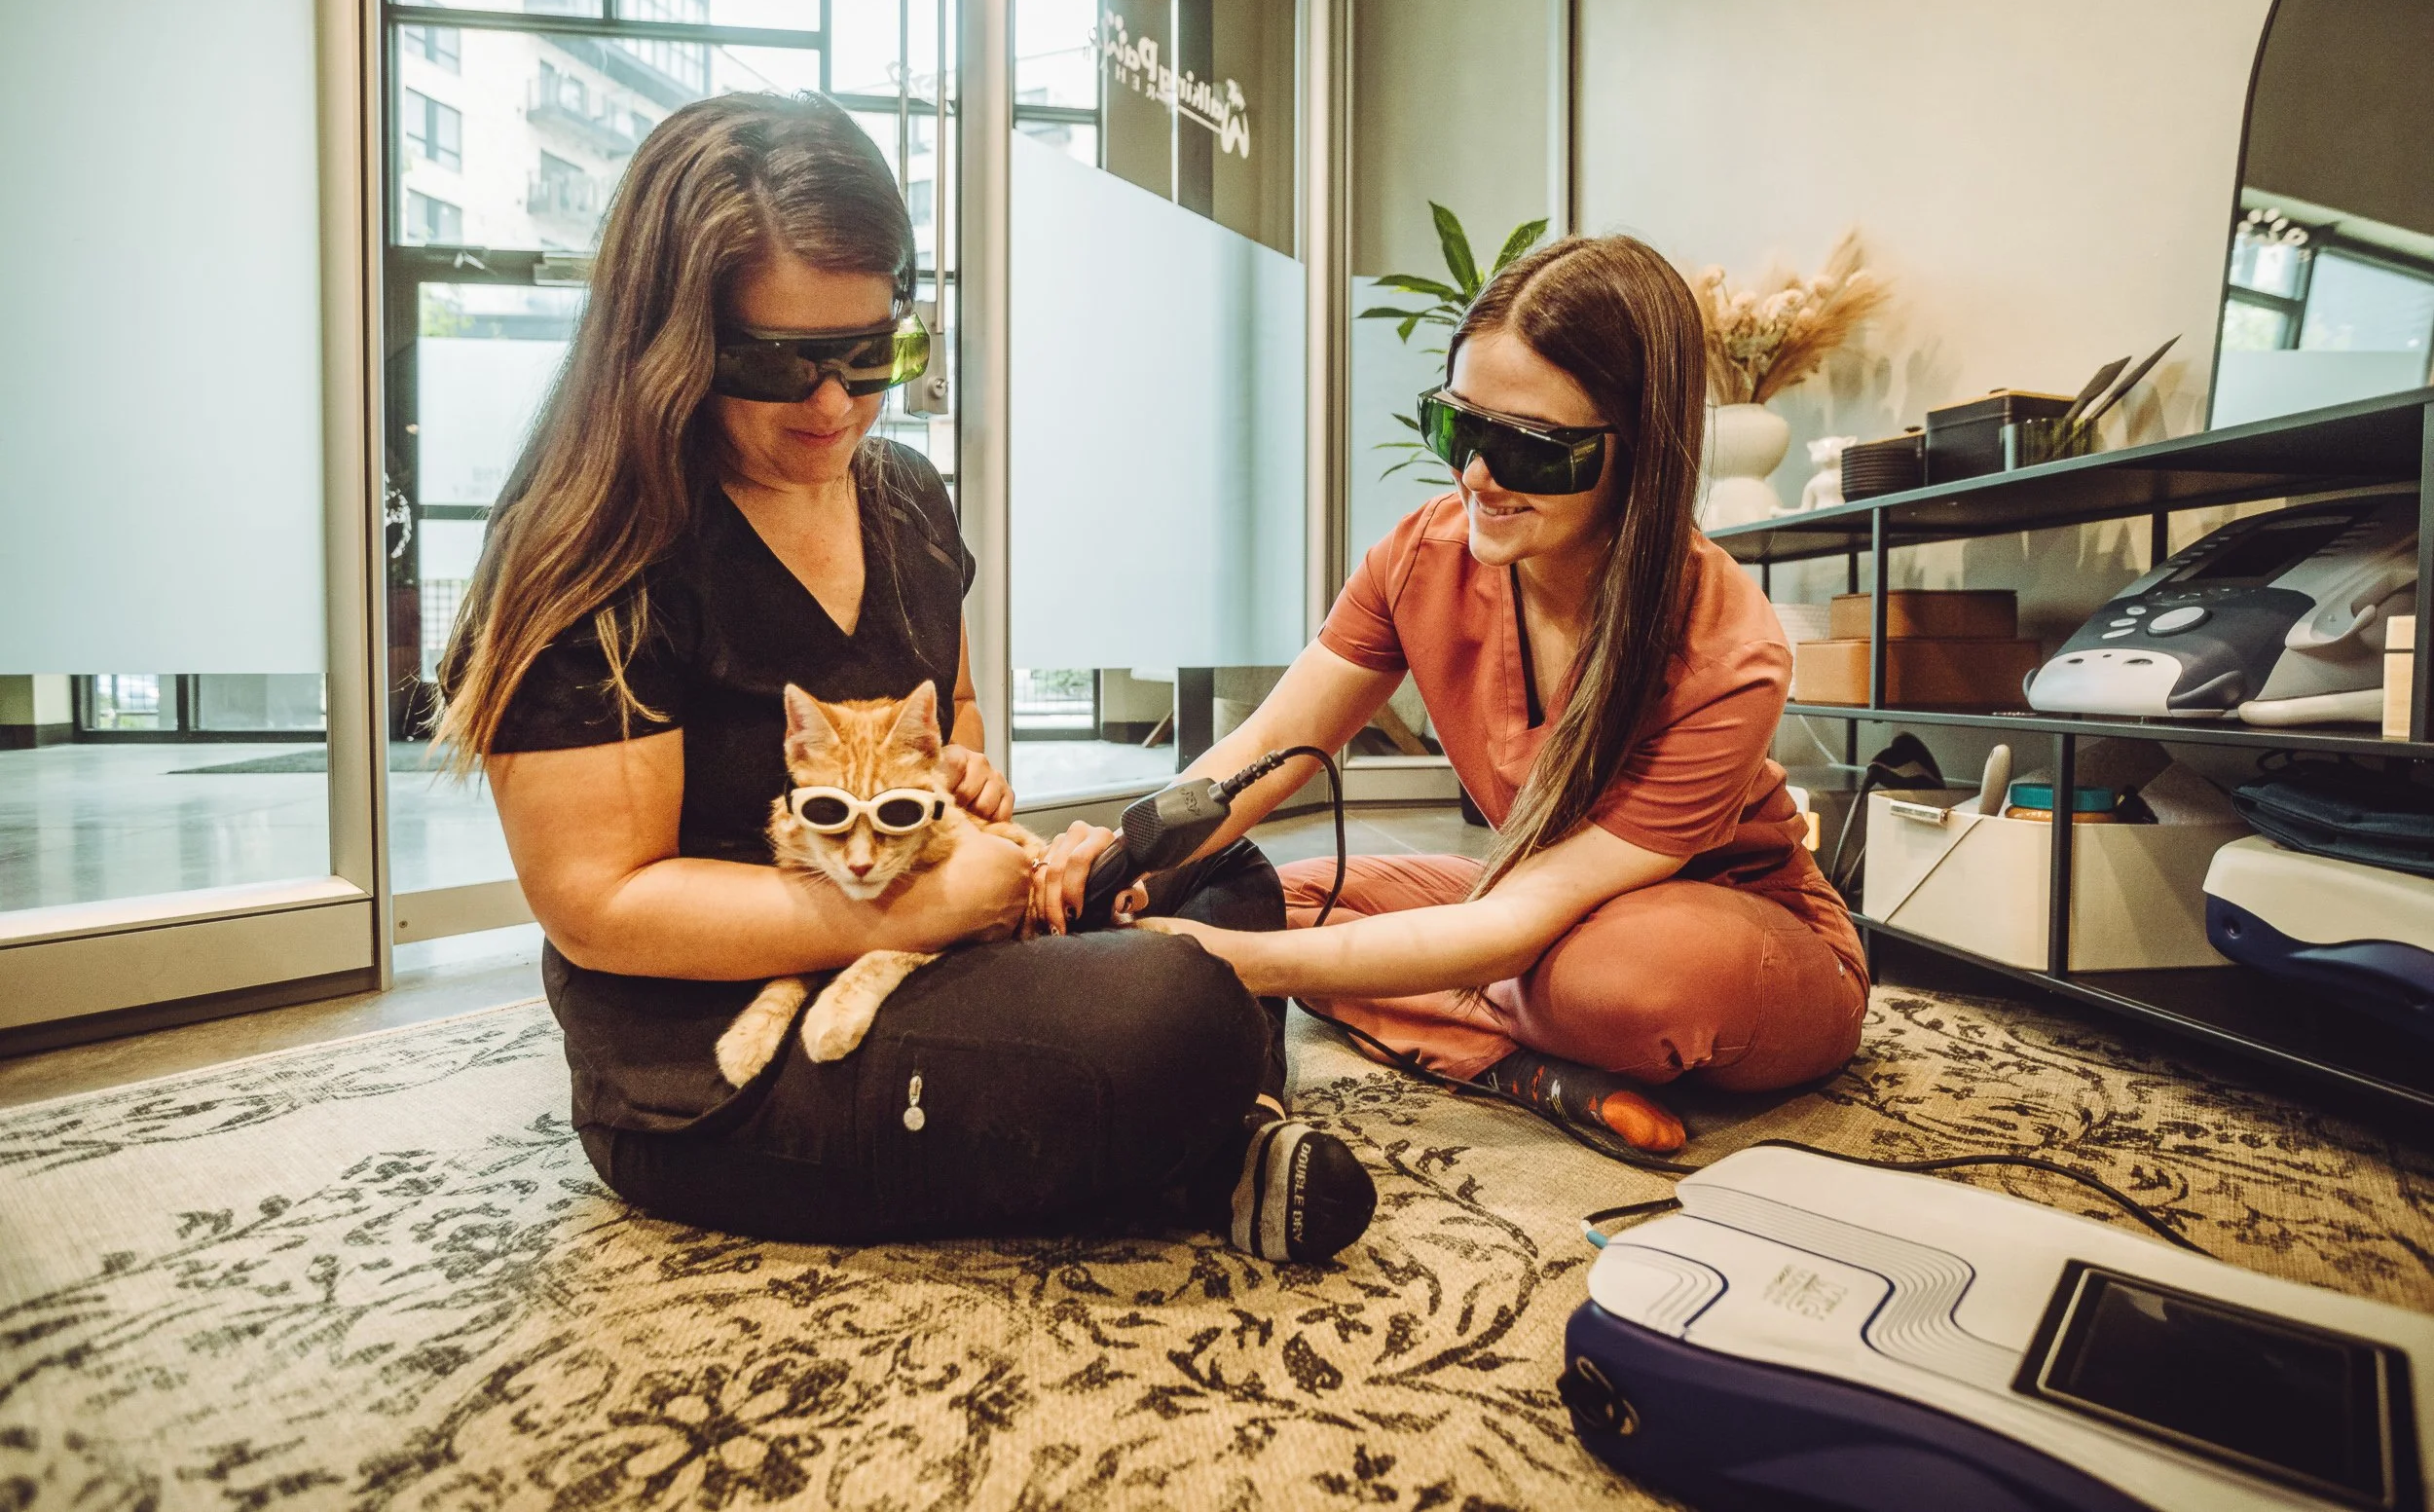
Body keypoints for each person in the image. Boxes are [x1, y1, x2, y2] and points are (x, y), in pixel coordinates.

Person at [435, 92, 1375, 1262]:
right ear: (671, 345)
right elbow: (600, 906)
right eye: (776, 364)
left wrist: (977, 795)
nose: (832, 403)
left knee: (1215, 864)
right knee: (1169, 1006)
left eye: (869, 352)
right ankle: (1219, 1132)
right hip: (727, 1058)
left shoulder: (907, 495)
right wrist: (929, 901)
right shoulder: (595, 547)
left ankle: (1207, 1134)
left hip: (922, 958)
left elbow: (959, 715)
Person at [1041, 235, 1867, 1153]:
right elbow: (1262, 755)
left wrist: (1228, 961)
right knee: (1276, 897)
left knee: (1618, 982)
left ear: (1637, 455)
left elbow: (1519, 926)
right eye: (1458, 428)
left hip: (1727, 930)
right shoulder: (1420, 554)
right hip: (1532, 903)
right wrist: (1128, 854)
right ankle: (1533, 1072)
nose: (1476, 475)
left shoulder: (1728, 644)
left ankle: (1471, 1018)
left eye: (1529, 449)